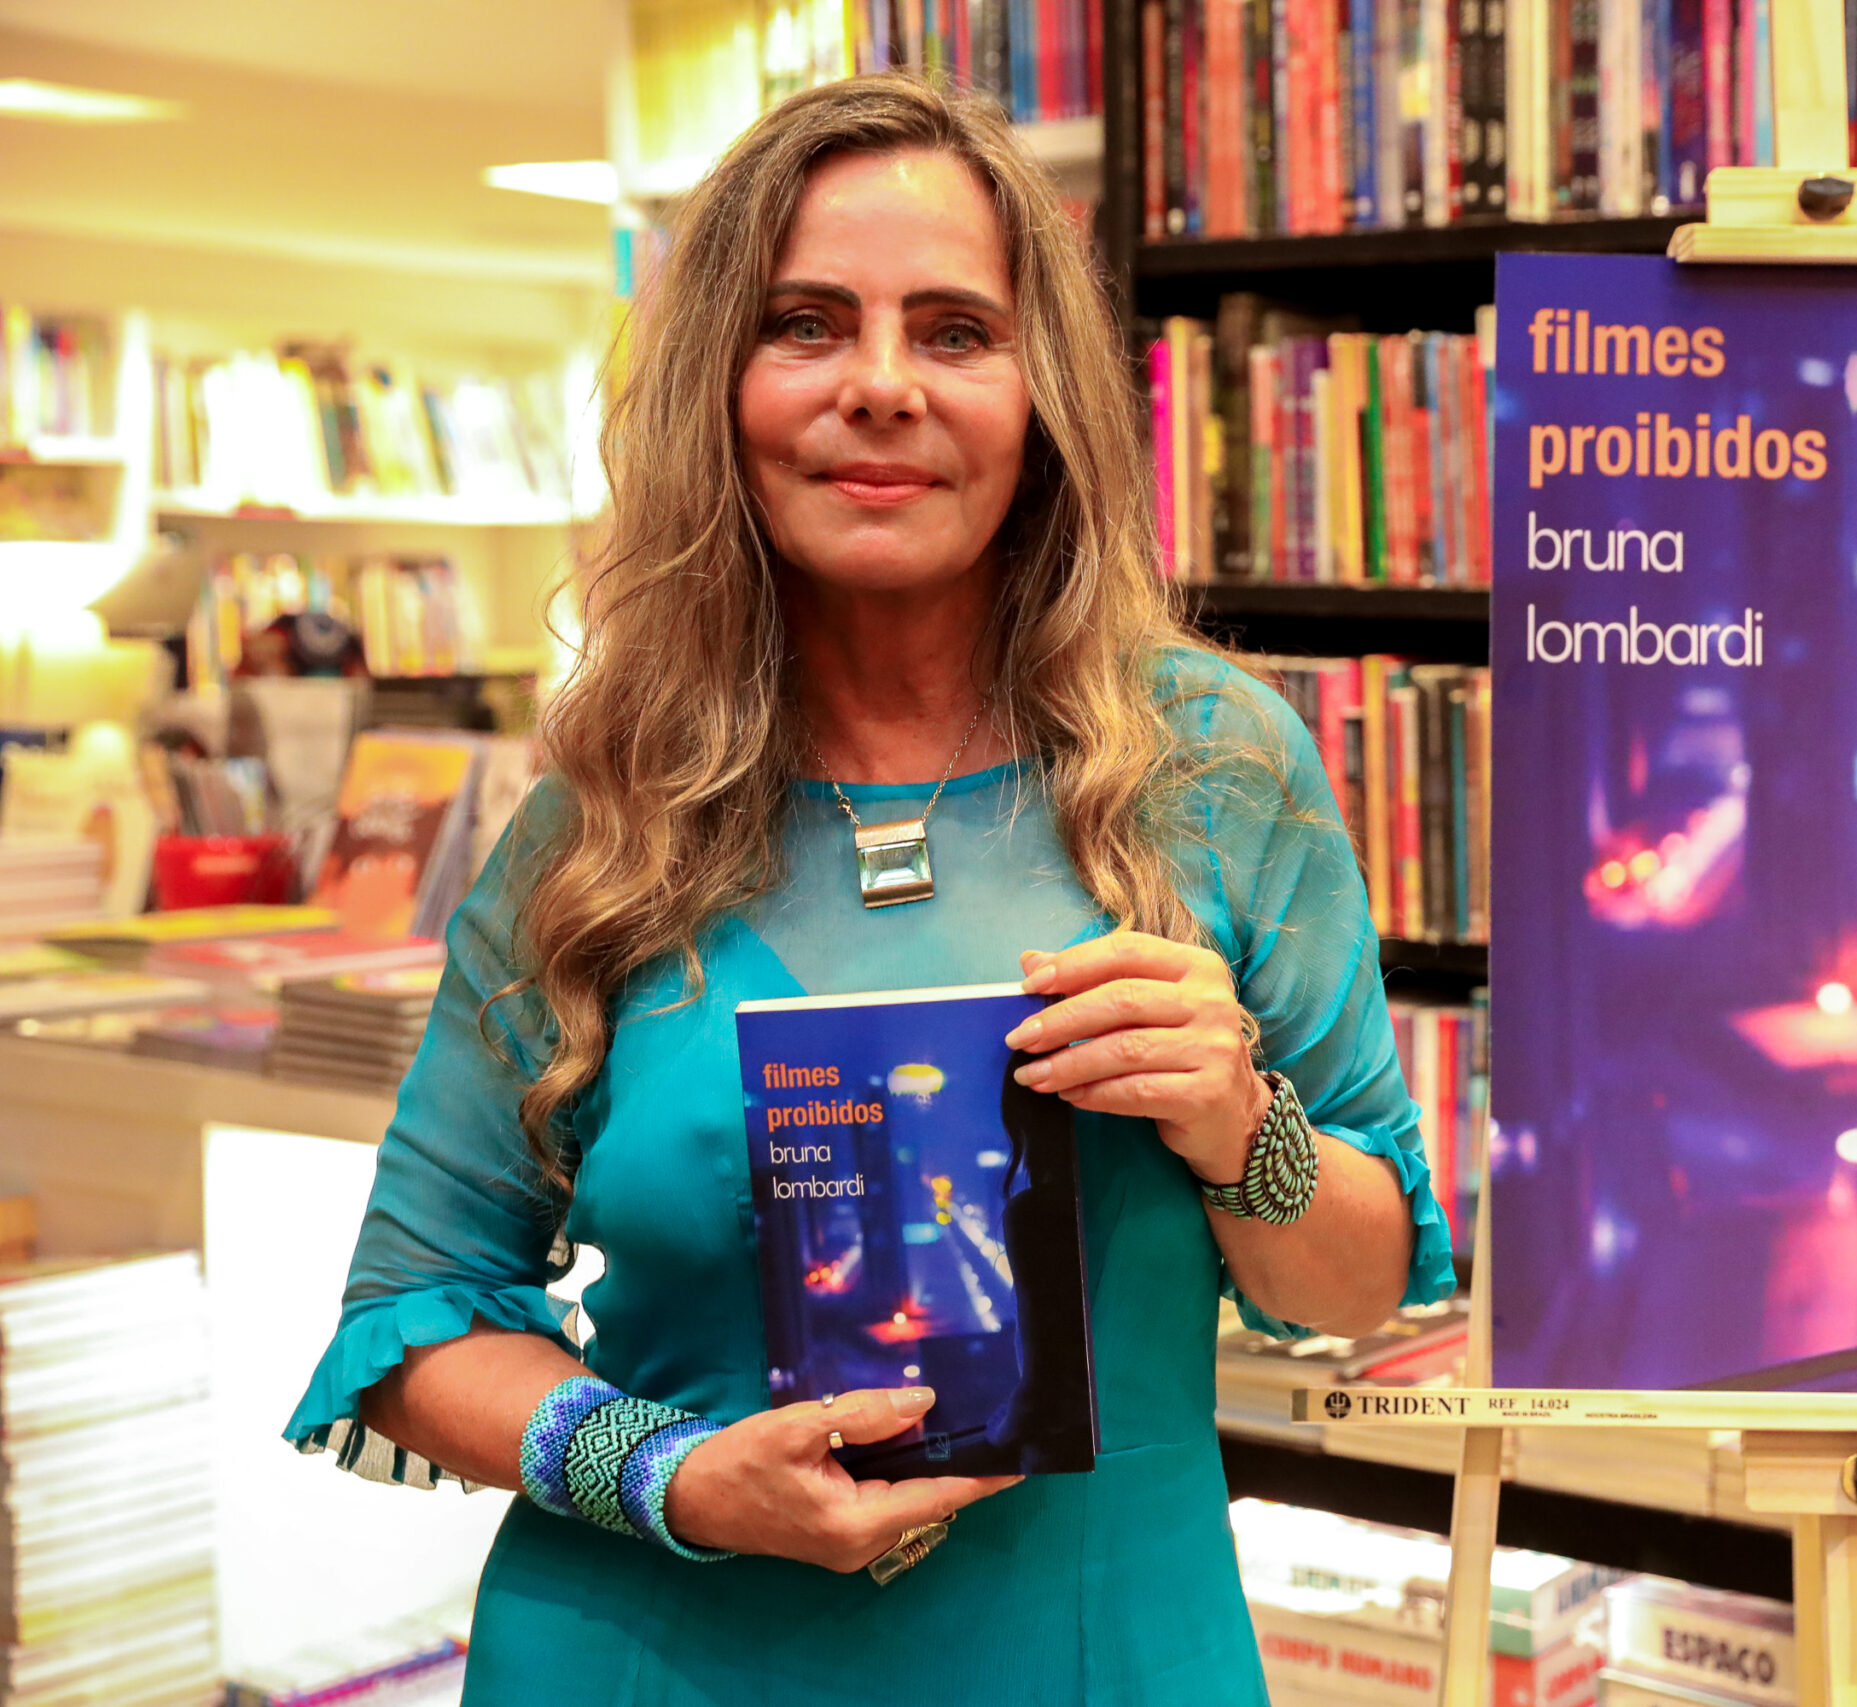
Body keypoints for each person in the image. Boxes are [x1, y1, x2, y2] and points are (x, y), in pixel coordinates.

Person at [284, 75, 1451, 1705]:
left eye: (957, 331)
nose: (883, 386)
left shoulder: (1218, 768)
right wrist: (666, 1472)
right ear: (718, 385)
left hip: (1097, 1655)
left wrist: (1235, 1115)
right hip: (652, 1658)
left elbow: (1358, 1280)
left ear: (1045, 394)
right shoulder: (600, 819)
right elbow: (410, 1317)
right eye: (807, 324)